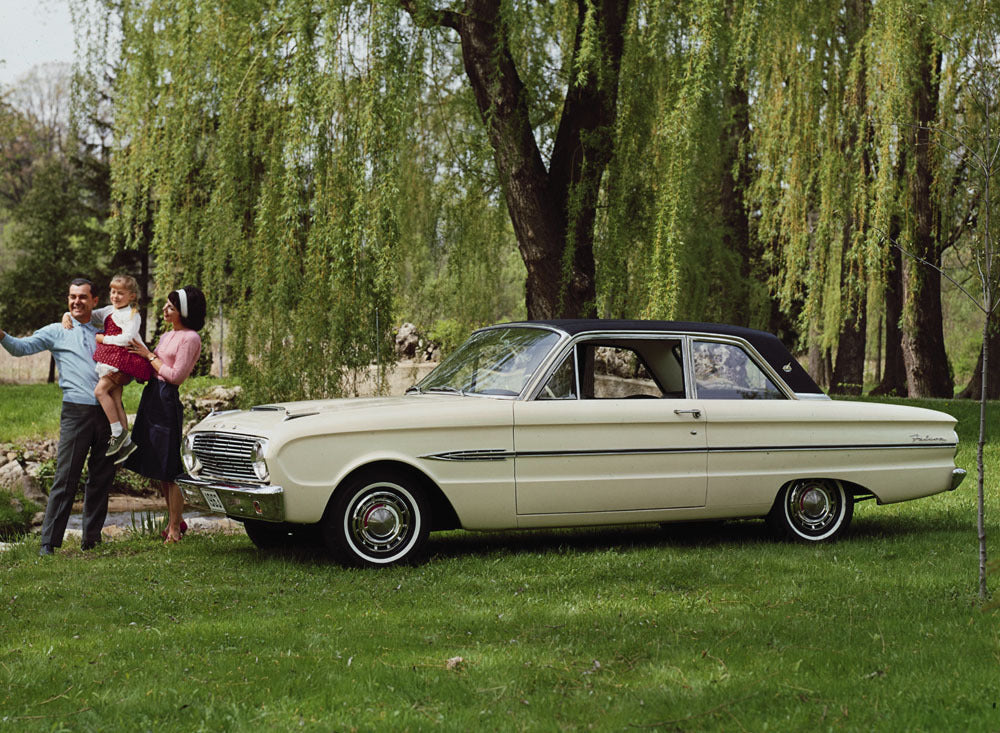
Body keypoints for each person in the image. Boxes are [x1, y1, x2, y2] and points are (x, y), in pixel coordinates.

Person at [0, 278, 118, 555]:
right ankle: (48, 543)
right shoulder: (57, 330)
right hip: (76, 413)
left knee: (101, 477)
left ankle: (92, 540)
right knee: (66, 478)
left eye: (82, 297)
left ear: (94, 301)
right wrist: (3, 335)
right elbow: (21, 348)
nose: (76, 302)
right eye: (72, 297)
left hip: (108, 411)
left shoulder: (107, 328)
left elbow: (124, 310)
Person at [124, 286, 206, 544]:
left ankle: (174, 530)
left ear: (183, 311)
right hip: (152, 396)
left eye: (170, 307)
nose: (163, 310)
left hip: (167, 399)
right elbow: (154, 367)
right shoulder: (168, 334)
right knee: (158, 464)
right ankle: (175, 520)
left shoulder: (190, 338)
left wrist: (148, 355)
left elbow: (175, 376)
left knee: (170, 466)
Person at [87, 274, 153, 461]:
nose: (115, 296)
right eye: (113, 292)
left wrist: (103, 339)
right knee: (115, 398)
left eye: (120, 293)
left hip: (124, 358)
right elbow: (88, 315)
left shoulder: (133, 315)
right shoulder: (108, 310)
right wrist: (67, 315)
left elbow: (127, 338)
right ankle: (127, 445)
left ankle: (117, 432)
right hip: (114, 358)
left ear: (132, 296)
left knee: (100, 392)